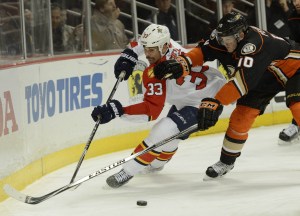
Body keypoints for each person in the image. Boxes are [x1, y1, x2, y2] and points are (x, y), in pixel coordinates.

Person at [153, 12, 300, 180]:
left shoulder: (253, 45)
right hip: (264, 78)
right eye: (222, 39)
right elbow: (203, 52)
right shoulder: (223, 39)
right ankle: (226, 162)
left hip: (294, 69)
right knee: (240, 118)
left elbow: (240, 84)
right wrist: (182, 63)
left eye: (228, 39)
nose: (224, 43)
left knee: (297, 105)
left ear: (240, 35)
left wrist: (216, 102)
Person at [91, 24, 226, 188]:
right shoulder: (168, 44)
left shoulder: (157, 72)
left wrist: (118, 110)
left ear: (164, 46)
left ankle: (127, 171)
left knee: (163, 130)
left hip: (207, 102)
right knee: (171, 137)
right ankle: (156, 164)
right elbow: (143, 42)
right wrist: (130, 54)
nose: (147, 54)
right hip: (190, 97)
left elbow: (150, 111)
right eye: (146, 50)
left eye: (151, 50)